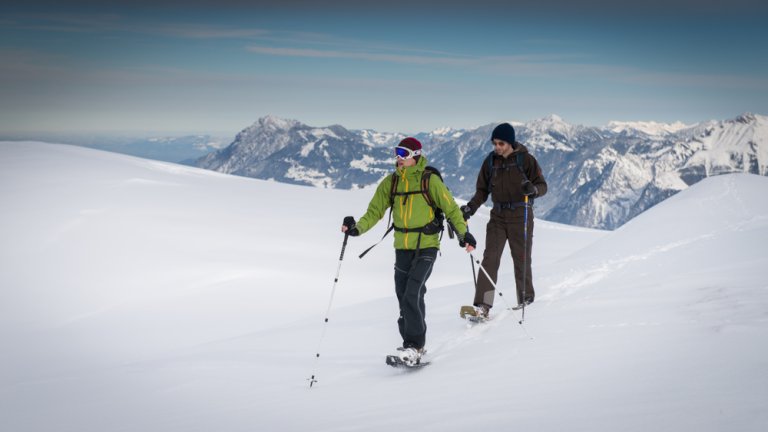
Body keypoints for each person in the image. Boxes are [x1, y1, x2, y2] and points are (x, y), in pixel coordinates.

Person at [342, 137, 476, 365]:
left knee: (412, 292)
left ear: (415, 155)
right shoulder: (391, 183)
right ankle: (411, 345)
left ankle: (414, 346)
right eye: (396, 153)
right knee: (403, 295)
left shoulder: (429, 180)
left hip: (427, 244)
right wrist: (356, 229)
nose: (398, 158)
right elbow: (374, 212)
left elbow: (451, 209)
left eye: (403, 153)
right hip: (402, 246)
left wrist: (464, 235)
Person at [460, 123, 548, 318]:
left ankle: (526, 300)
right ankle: (483, 306)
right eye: (495, 143)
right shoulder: (490, 162)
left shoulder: (526, 160)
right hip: (498, 217)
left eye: (501, 143)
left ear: (510, 142)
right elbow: (482, 191)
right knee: (490, 259)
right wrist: (470, 208)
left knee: (521, 259)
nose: (497, 147)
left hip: (521, 215)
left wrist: (533, 190)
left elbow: (542, 185)